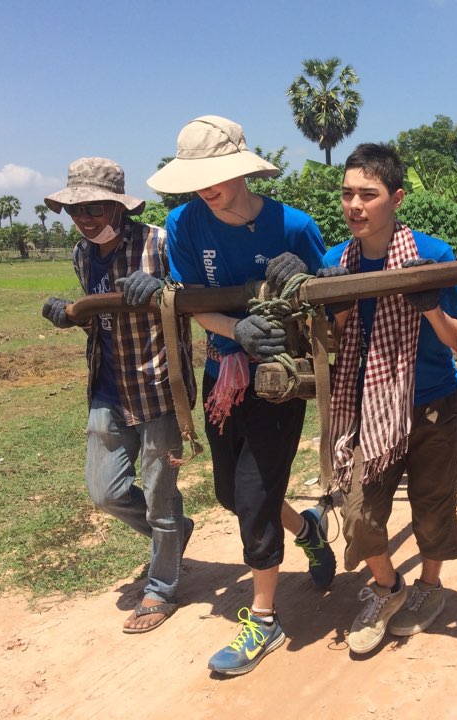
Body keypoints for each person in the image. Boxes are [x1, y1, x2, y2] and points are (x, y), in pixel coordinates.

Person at [147, 116, 335, 675]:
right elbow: (188, 301)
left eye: (217, 175)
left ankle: (264, 618)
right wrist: (235, 331)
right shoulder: (183, 224)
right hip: (224, 374)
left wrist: (304, 273)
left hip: (279, 378)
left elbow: (325, 295)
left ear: (241, 170)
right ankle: (309, 529)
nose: (207, 187)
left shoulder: (293, 224)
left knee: (253, 496)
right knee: (231, 494)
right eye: (197, 177)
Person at [309, 143, 457, 655]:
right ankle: (388, 585)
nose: (354, 205)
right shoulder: (334, 260)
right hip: (366, 408)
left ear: (396, 198)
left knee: (432, 509)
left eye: (368, 195)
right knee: (358, 514)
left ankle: (429, 586)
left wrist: (426, 305)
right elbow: (333, 339)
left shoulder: (434, 255)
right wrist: (333, 302)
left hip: (432, 405)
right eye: (347, 194)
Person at [41, 157, 196, 633]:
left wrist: (167, 287)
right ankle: (172, 535)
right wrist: (70, 313)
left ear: (118, 206)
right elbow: (100, 314)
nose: (85, 218)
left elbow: (196, 296)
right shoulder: (82, 255)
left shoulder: (161, 242)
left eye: (94, 208)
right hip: (107, 388)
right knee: (104, 492)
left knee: (160, 498)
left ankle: (162, 587)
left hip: (157, 387)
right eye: (76, 210)